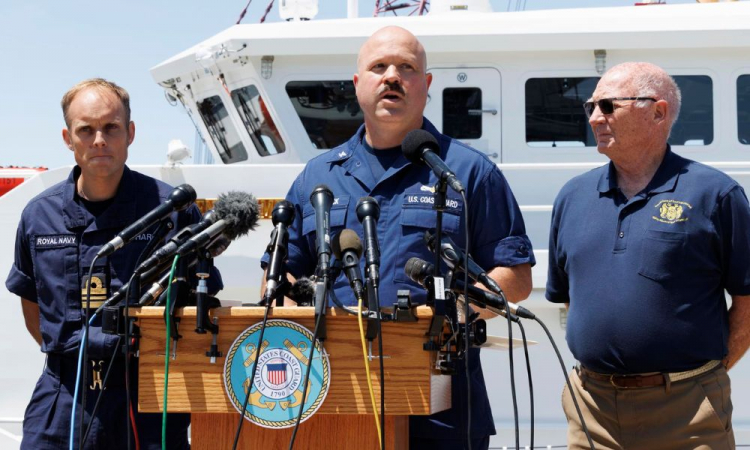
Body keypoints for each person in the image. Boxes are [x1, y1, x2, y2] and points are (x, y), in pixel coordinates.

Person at [261, 26, 534, 450]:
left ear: (425, 85)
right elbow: (277, 279)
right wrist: (299, 325)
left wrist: (450, 317)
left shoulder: (467, 172)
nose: (392, 76)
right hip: (333, 394)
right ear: (357, 85)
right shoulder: (318, 176)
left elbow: (513, 276)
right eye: (378, 67)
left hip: (442, 401)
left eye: (406, 67)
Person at [546, 62, 750, 449]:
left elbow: (748, 298)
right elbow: (574, 297)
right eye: (590, 106)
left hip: (688, 413)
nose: (594, 118)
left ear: (658, 111)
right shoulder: (572, 197)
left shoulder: (715, 194)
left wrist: (705, 376)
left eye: (608, 106)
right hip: (592, 411)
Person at [5, 78, 218, 449]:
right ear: (68, 139)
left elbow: (200, 300)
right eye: (85, 130)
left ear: (130, 133)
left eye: (110, 128)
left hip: (145, 393)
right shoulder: (39, 216)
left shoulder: (171, 211)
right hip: (64, 392)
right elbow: (31, 303)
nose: (99, 139)